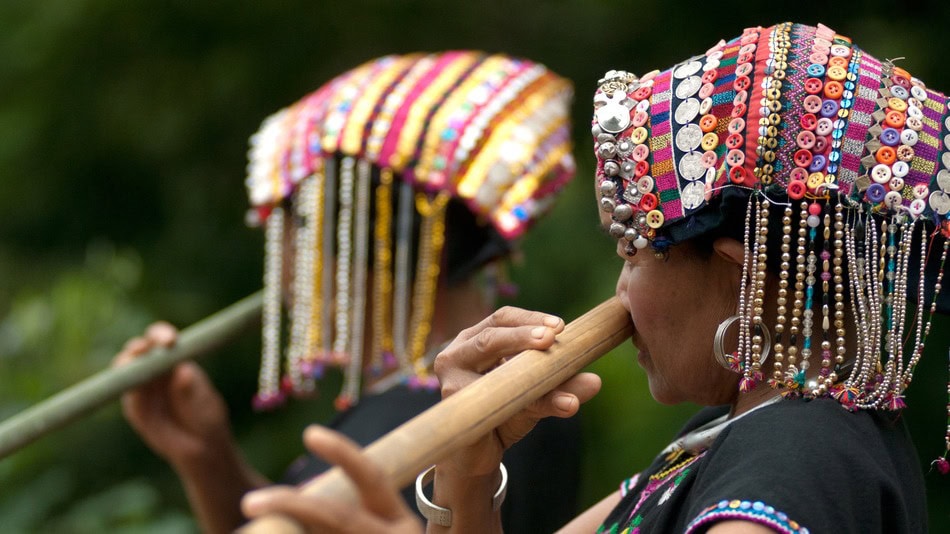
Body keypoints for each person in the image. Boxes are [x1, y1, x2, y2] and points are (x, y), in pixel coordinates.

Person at [240, 23, 950, 533]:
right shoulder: (728, 437)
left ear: (739, 271)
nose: (620, 294)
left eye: (635, 253)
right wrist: (470, 474)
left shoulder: (796, 456)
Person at [115, 51, 583, 533]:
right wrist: (207, 456)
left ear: (367, 239)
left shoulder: (443, 423)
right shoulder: (502, 389)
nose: (283, 270)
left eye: (293, 228)